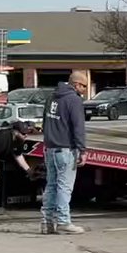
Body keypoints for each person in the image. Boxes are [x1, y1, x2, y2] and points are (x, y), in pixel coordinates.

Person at [41, 71, 89, 235]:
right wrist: (82, 149)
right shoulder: (73, 100)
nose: (84, 90)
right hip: (65, 149)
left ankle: (47, 222)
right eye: (83, 86)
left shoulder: (52, 97)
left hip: (50, 148)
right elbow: (78, 127)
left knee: (52, 185)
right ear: (76, 84)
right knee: (64, 187)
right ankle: (63, 221)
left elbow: (45, 121)